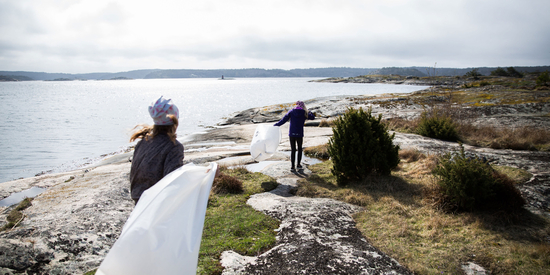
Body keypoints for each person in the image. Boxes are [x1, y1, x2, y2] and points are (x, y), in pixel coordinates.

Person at [129, 96, 184, 204]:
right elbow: (174, 180)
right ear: (175, 121)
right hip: (156, 202)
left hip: (138, 197)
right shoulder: (173, 146)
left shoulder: (143, 142)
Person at [274, 101, 315, 171]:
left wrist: (275, 125)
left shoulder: (291, 112)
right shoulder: (304, 113)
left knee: (293, 150)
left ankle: (292, 166)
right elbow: (312, 117)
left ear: (296, 105)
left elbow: (283, 120)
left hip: (292, 134)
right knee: (299, 149)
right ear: (303, 106)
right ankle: (298, 164)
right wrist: (309, 111)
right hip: (299, 134)